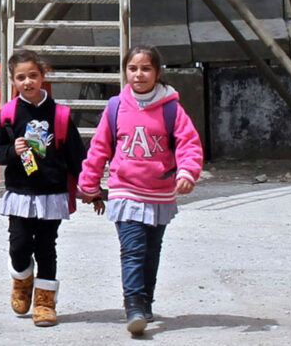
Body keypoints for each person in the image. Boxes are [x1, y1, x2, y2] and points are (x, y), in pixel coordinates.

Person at [78, 45, 204, 335]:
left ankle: (145, 301)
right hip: (125, 191)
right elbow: (99, 148)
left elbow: (189, 143)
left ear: (158, 73)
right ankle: (133, 306)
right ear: (125, 72)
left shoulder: (172, 108)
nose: (139, 74)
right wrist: (89, 184)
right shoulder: (116, 107)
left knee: (151, 251)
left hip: (159, 193)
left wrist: (187, 172)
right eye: (133, 68)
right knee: (133, 250)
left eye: (146, 68)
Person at [0, 49, 88, 327]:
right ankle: (22, 279)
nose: (28, 82)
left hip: (51, 194)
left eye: (33, 75)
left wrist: (90, 188)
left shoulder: (61, 115)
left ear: (43, 76)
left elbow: (77, 157)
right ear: (13, 81)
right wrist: (12, 150)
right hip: (20, 194)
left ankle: (45, 302)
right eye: (21, 77)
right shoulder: (7, 115)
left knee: (46, 248)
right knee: (18, 246)